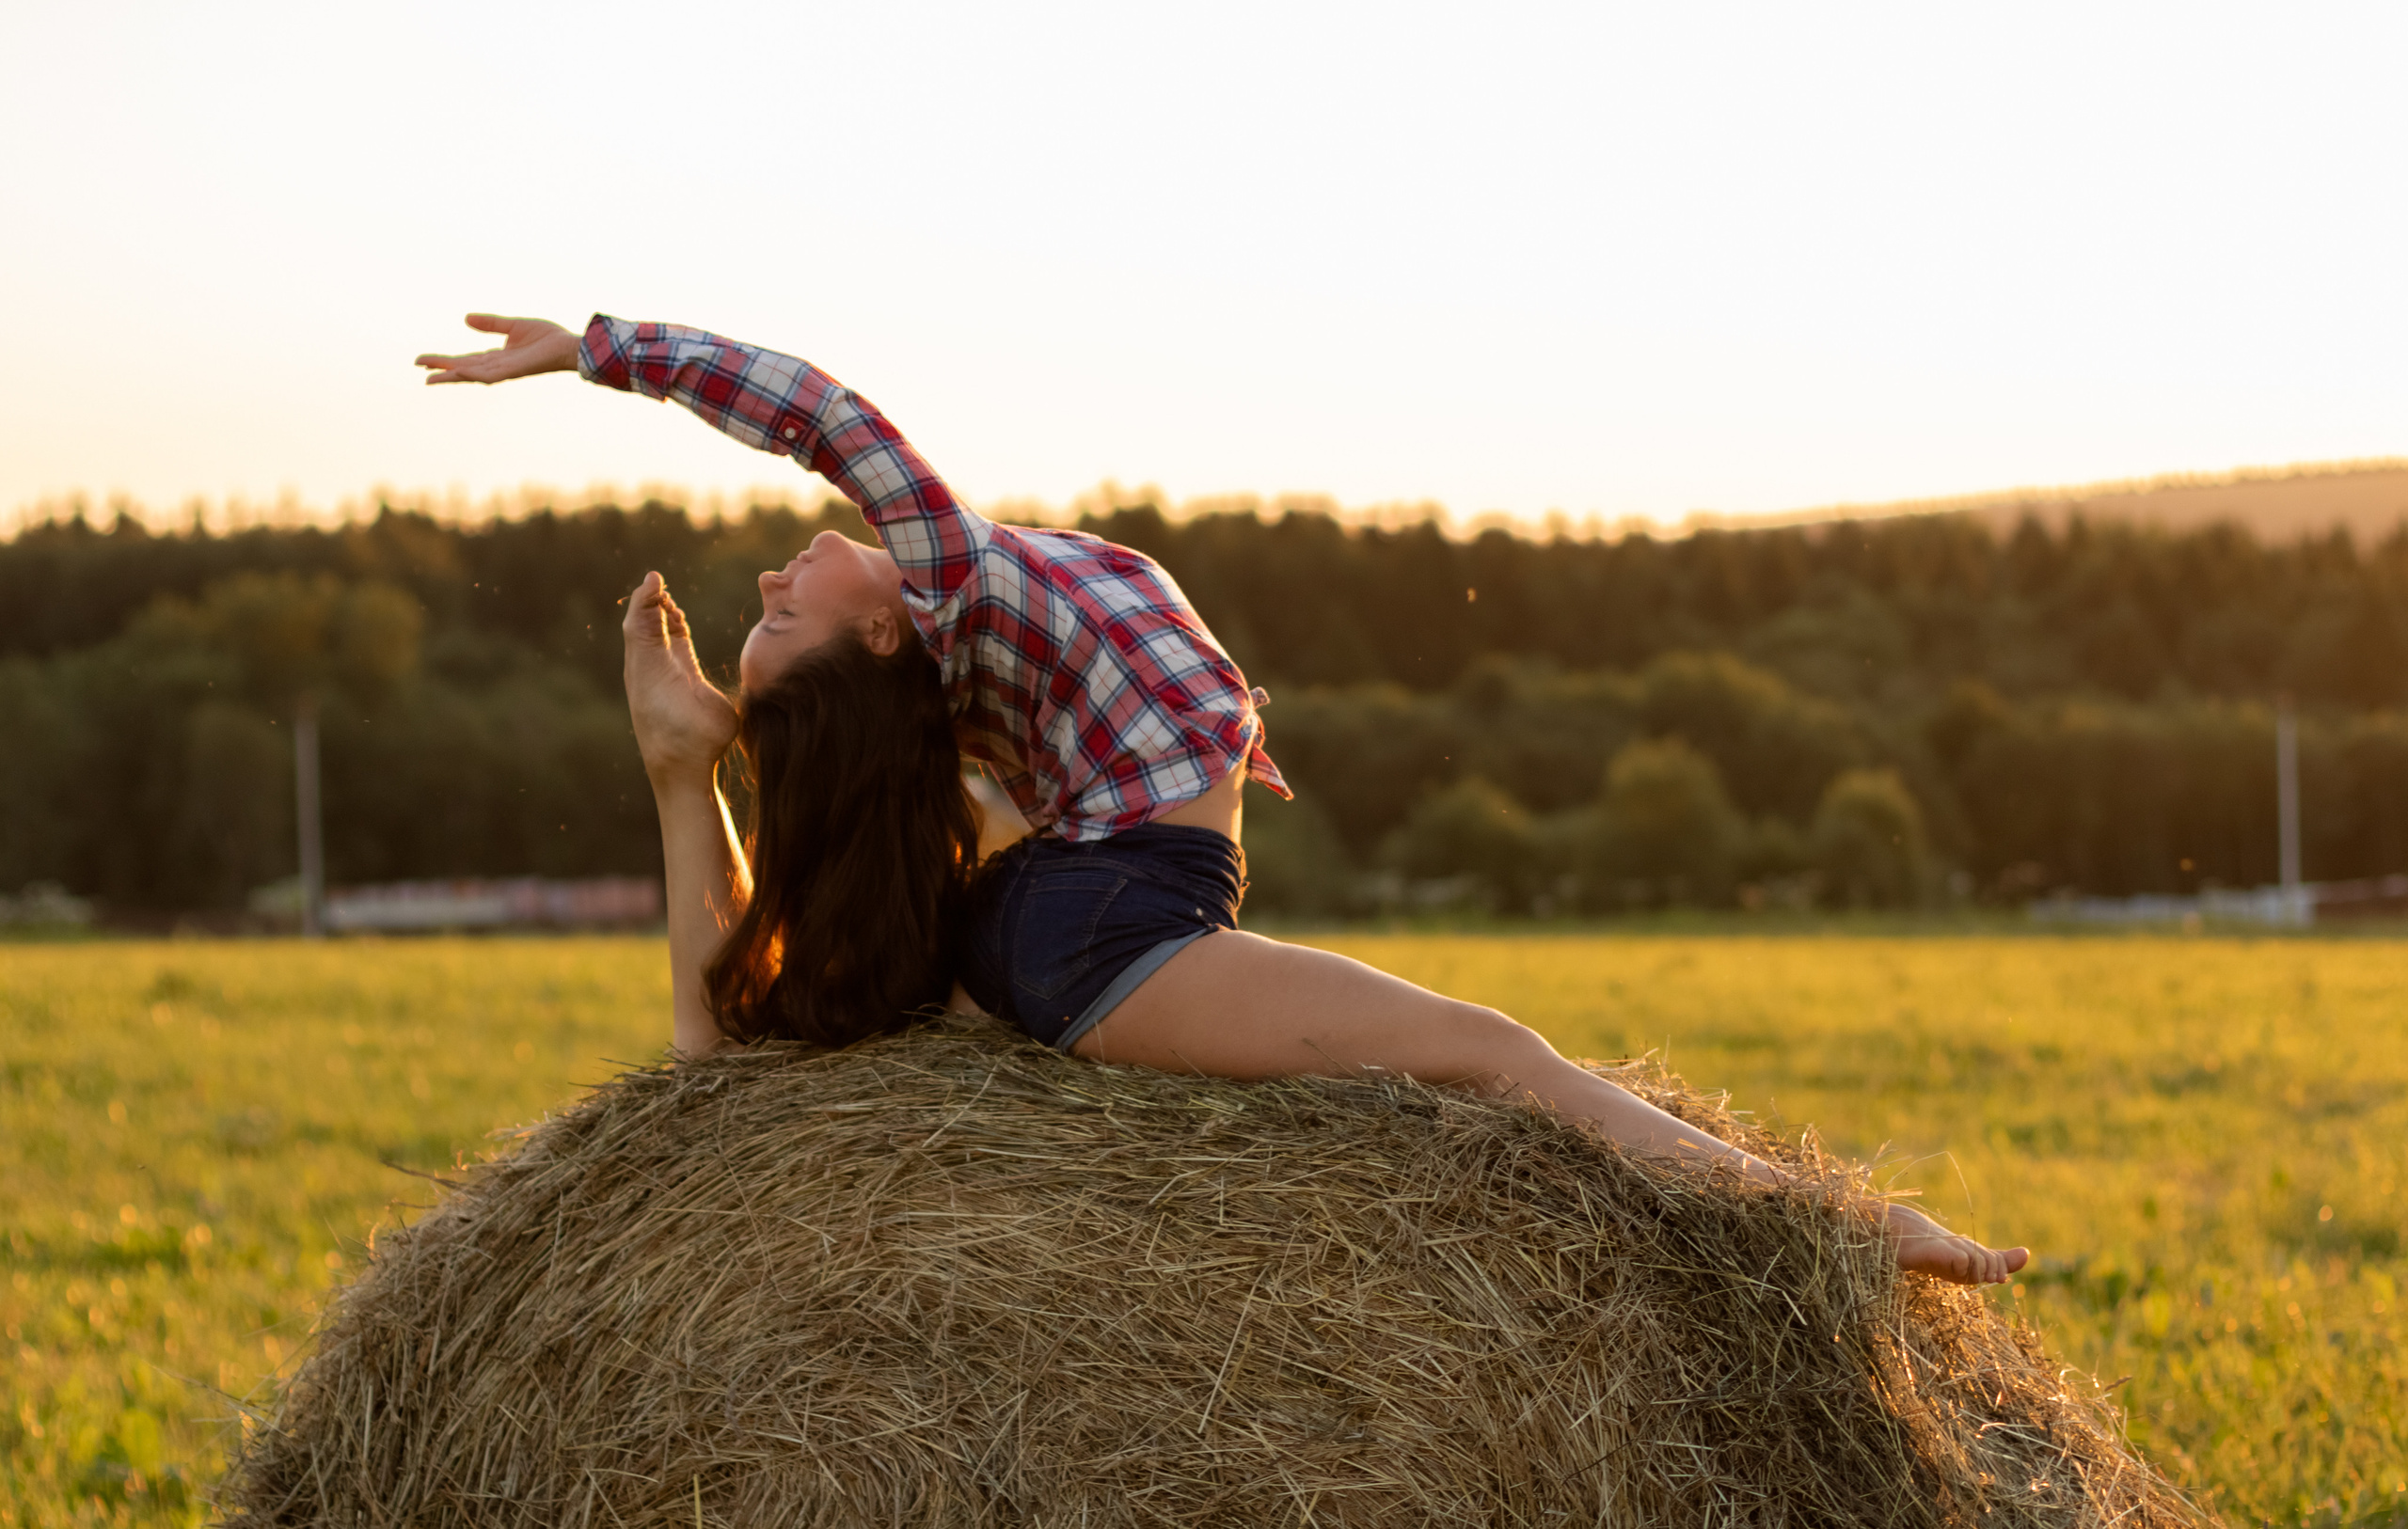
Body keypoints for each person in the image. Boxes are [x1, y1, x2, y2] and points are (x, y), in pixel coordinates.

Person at [417, 311, 2029, 1287]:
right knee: (1494, 1057)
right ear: (889, 616)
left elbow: (761, 983)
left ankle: (691, 762)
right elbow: (822, 409)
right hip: (1110, 926)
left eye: (773, 597)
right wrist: (598, 351)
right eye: (777, 603)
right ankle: (1836, 1224)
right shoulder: (943, 577)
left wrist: (725, 752)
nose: (778, 557)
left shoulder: (956, 696)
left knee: (755, 1035)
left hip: (1061, 919)